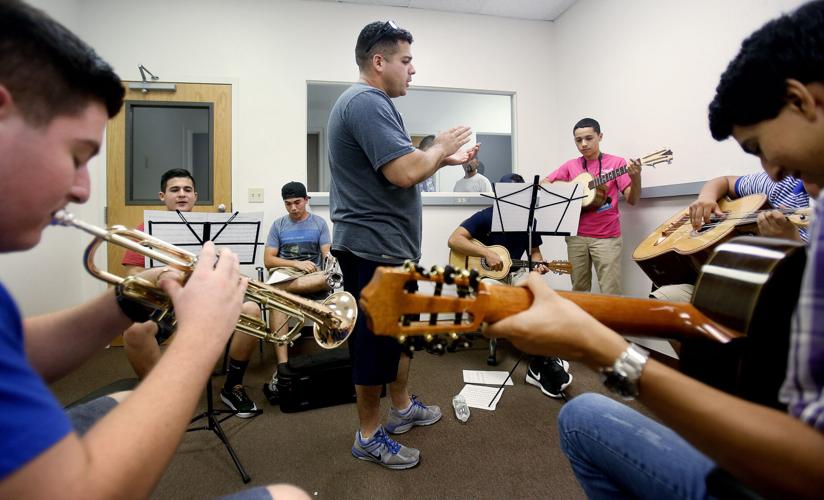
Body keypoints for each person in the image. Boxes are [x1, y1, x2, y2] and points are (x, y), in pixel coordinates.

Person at [486, 2, 824, 497]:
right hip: (580, 237)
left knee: (582, 415)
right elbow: (556, 194)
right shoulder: (570, 167)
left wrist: (607, 351)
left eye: (757, 147)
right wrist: (707, 197)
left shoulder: (621, 163)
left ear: (801, 100)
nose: (771, 171)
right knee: (669, 298)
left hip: (781, 465)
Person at [0, 1, 306, 498]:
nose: (81, 189)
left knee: (124, 398)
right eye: (76, 156)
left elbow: (12, 347)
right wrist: (201, 335)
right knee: (289, 495)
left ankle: (210, 390)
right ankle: (173, 403)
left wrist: (123, 301)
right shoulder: (149, 225)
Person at [327, 19, 479, 469]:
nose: (412, 70)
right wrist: (439, 144)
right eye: (406, 60)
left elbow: (403, 164)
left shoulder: (368, 102)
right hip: (373, 248)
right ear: (379, 62)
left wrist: (440, 157)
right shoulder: (367, 102)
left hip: (387, 246)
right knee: (375, 345)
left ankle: (402, 406)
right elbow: (404, 173)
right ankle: (369, 435)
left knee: (398, 336)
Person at [119, 168, 262, 418]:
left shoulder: (215, 230)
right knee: (135, 331)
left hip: (206, 302)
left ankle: (232, 387)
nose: (182, 195)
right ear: (162, 196)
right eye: (174, 190)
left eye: (187, 190)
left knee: (252, 310)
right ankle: (159, 397)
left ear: (195, 196)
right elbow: (132, 276)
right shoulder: (144, 230)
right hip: (165, 305)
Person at [447, 173, 572, 398]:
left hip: (517, 272)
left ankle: (540, 358)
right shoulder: (486, 216)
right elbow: (454, 239)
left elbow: (535, 253)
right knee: (501, 297)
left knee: (534, 294)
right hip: (489, 278)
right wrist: (486, 253)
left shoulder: (529, 222)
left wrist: (539, 266)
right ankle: (542, 359)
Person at [653, 171, 818, 302]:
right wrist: (706, 199)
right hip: (742, 281)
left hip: (790, 299)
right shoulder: (785, 184)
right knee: (665, 296)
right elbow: (724, 181)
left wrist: (792, 245)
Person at [544, 118, 642, 295]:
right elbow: (544, 185)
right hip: (575, 237)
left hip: (607, 237)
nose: (583, 144)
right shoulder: (571, 165)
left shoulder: (617, 164)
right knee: (579, 290)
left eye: (589, 138)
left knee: (611, 290)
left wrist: (636, 177)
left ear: (600, 136)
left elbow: (632, 200)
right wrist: (569, 189)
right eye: (578, 140)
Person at [261, 181, 332, 401]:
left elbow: (326, 253)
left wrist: (329, 260)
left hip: (313, 279)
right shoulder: (278, 225)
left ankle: (271, 289)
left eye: (297, 202)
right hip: (286, 275)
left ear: (306, 200)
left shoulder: (319, 223)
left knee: (323, 278)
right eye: (288, 204)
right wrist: (296, 265)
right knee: (277, 300)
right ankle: (283, 369)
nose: (293, 208)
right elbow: (268, 260)